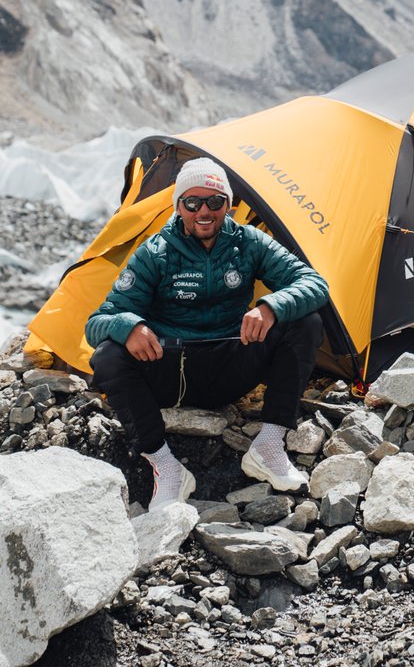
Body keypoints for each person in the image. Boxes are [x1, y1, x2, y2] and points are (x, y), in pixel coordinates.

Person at [86, 157, 329, 509]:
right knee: (109, 355)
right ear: (178, 207)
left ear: (228, 205)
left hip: (231, 367)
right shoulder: (155, 252)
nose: (204, 211)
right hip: (171, 375)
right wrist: (129, 326)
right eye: (192, 202)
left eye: (215, 201)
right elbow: (98, 322)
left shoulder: (248, 241)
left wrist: (271, 306)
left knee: (306, 321)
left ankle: (269, 445)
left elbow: (315, 284)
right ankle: (165, 466)